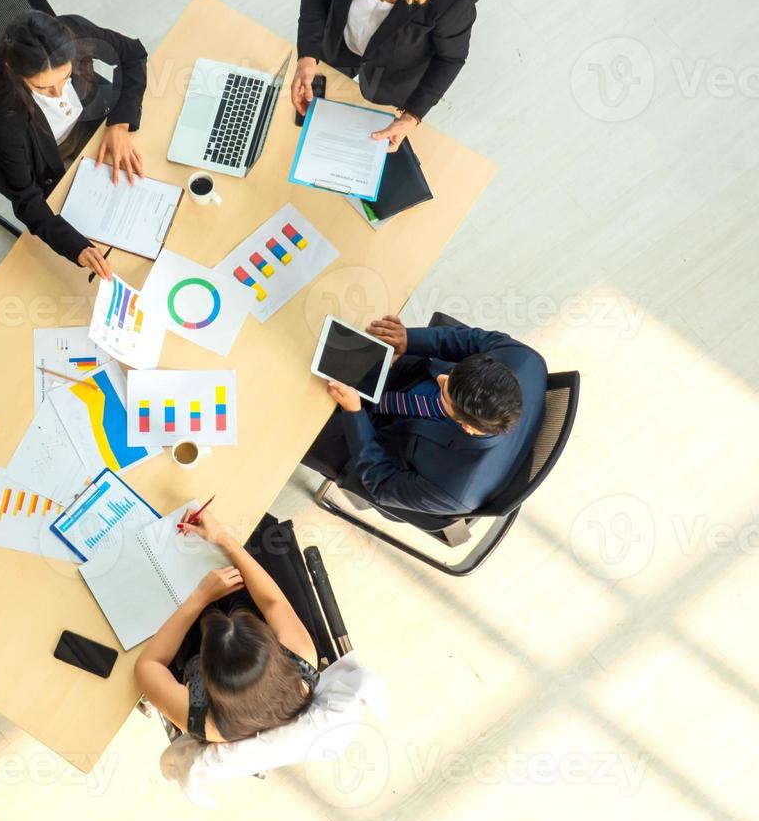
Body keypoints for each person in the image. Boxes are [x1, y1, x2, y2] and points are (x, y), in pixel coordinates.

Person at [304, 317, 547, 528]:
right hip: (411, 376)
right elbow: (471, 341)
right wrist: (408, 340)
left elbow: (381, 483)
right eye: (451, 376)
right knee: (322, 340)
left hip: (375, 445)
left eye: (445, 391)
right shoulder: (524, 360)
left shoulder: (453, 488)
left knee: (296, 419)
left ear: (467, 427)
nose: (442, 378)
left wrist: (354, 413)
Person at [0, 10, 148, 279]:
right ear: (14, 73)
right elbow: (27, 201)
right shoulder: (7, 118)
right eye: (44, 89)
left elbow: (133, 55)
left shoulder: (74, 32)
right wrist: (76, 248)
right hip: (50, 161)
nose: (59, 94)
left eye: (65, 78)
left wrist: (120, 123)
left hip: (95, 129)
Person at [292, 0, 479, 152]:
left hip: (393, 75)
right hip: (337, 43)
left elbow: (451, 58)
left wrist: (411, 117)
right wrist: (307, 55)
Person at [135, 510, 319, 743]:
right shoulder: (300, 665)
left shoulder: (208, 722)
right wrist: (222, 538)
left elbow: (148, 665)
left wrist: (200, 597)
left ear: (206, 671)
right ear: (271, 644)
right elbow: (273, 603)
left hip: (184, 632)